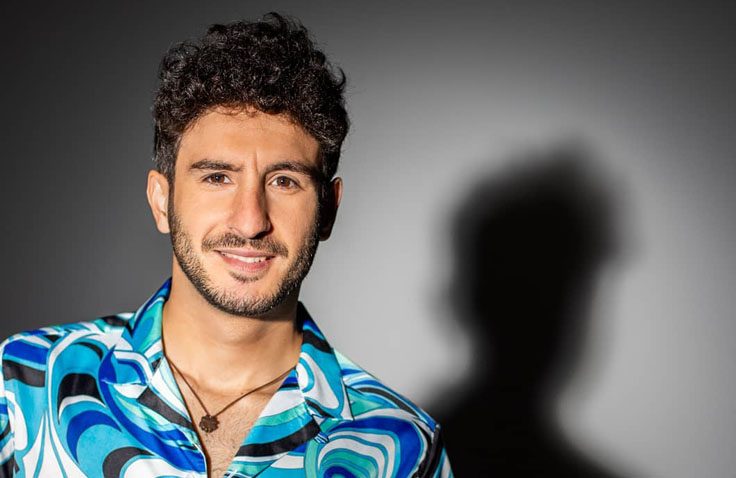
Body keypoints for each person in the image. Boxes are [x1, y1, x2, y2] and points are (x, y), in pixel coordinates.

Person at [0, 13, 450, 477]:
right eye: (217, 177)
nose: (251, 221)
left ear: (328, 210)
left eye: (284, 180)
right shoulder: (25, 386)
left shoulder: (402, 447)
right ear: (161, 201)